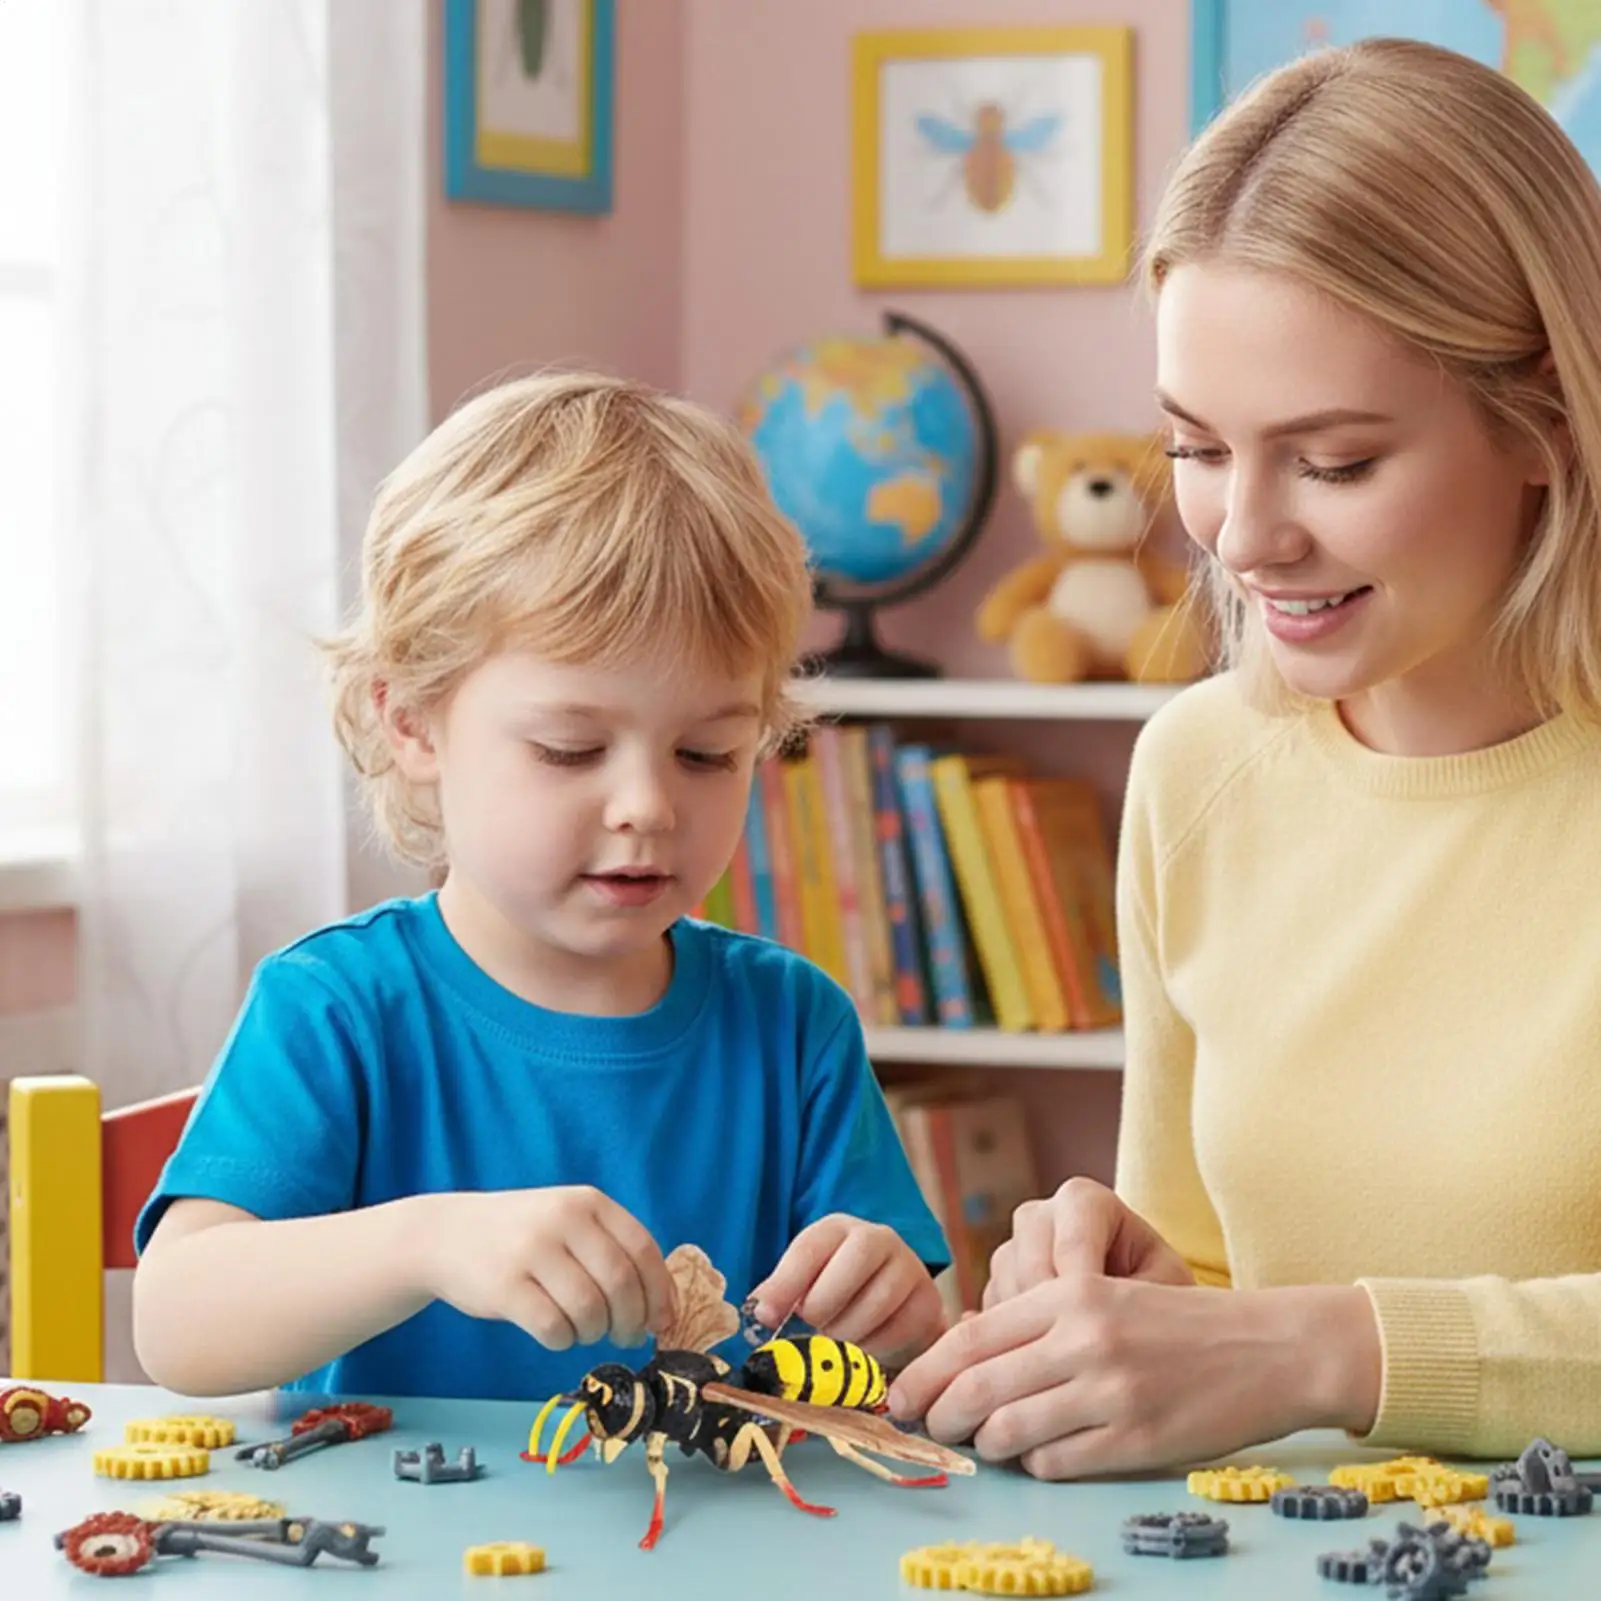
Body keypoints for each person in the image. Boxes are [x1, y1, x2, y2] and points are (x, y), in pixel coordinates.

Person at [889, 37, 1601, 1477]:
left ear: (1541, 419)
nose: (1239, 533)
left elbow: (1287, 1352)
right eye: (1196, 448)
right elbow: (1214, 1294)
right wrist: (1121, 1304)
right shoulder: (1196, 773)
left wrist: (1316, 1349)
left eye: (1332, 462)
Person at [133, 372, 947, 1400]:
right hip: (406, 1557)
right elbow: (175, 1323)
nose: (645, 804)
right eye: (569, 749)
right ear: (412, 721)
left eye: (706, 753)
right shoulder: (339, 1007)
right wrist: (426, 1240)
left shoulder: (790, 1023)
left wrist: (894, 1312)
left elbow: (903, 1351)